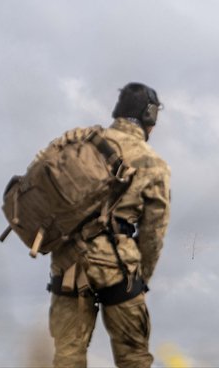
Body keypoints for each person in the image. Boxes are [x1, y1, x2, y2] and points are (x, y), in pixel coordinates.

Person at [43, 83, 171, 368]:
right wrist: (142, 278)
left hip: (68, 263)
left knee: (67, 355)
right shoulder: (154, 163)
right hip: (118, 266)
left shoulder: (78, 143)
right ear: (149, 115)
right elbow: (154, 231)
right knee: (133, 357)